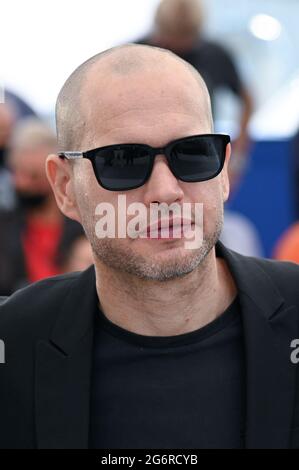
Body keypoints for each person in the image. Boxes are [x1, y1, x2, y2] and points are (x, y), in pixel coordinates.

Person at [0, 44, 298, 450]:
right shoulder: (13, 349)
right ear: (65, 187)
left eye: (192, 153)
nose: (165, 191)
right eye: (122, 161)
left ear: (224, 169)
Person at [136, 0, 253, 161]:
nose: (178, 51)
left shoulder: (215, 55)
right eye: (171, 43)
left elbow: (247, 100)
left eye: (186, 43)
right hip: (142, 152)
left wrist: (238, 155)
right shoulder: (134, 56)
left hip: (200, 153)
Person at [0, 118, 83, 295]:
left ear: (56, 176)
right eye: (17, 172)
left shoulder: (83, 226)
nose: (22, 183)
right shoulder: (5, 226)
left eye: (33, 176)